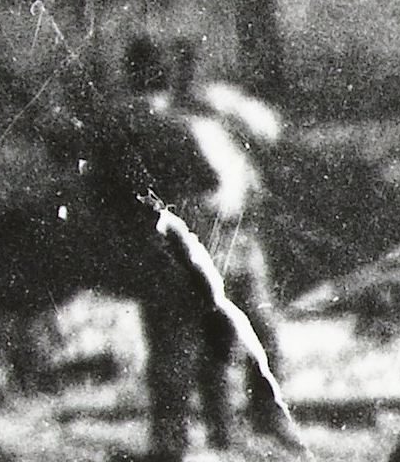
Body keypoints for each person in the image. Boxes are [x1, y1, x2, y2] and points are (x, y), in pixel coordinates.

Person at [122, 33, 292, 448]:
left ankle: (260, 420)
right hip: (186, 241)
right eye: (174, 66)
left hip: (237, 236)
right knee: (183, 347)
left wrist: (222, 107)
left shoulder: (217, 105)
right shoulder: (153, 117)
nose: (184, 73)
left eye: (189, 64)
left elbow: (270, 130)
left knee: (258, 334)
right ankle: (184, 439)